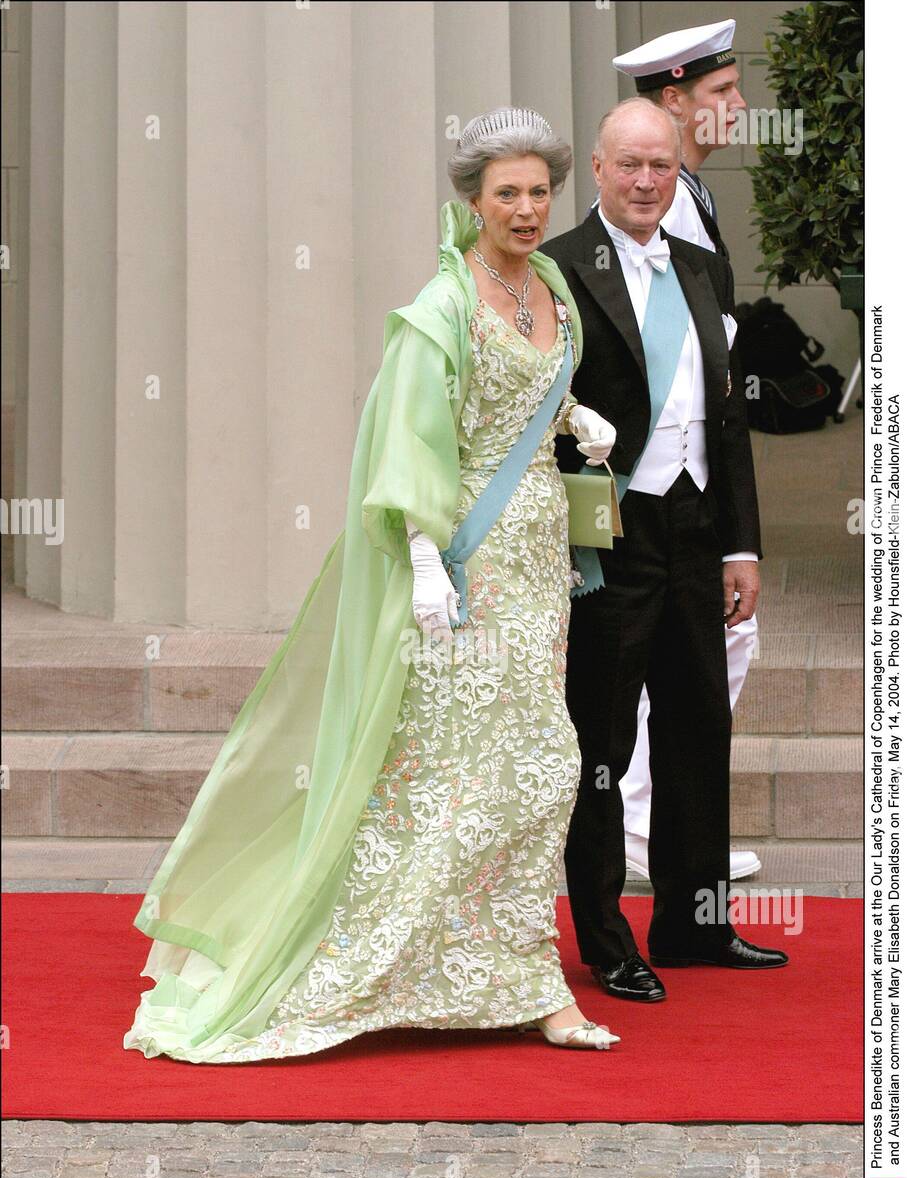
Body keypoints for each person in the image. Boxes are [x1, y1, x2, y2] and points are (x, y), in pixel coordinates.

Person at [122, 106, 623, 1063]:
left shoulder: (551, 282)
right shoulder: (439, 307)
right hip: (466, 573)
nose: (526, 209)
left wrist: (574, 417)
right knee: (445, 774)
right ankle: (388, 961)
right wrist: (430, 563)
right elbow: (406, 439)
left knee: (537, 770)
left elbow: (520, 385)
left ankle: (520, 974)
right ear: (471, 201)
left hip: (539, 564)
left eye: (537, 191)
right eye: (506, 194)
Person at [542, 98, 788, 1006]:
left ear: (676, 172)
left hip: (695, 529)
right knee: (601, 744)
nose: (646, 181)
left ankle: (693, 922)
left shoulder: (702, 268)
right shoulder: (558, 269)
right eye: (629, 165)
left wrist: (742, 546)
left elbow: (725, 422)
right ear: (598, 172)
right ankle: (605, 942)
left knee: (697, 728)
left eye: (662, 166)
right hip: (608, 535)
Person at [611, 19, 762, 888]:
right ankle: (643, 823)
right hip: (662, 473)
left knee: (716, 640)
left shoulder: (693, 194)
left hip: (697, 462)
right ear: (672, 102)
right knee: (698, 641)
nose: (739, 106)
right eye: (720, 93)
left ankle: (655, 821)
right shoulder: (662, 200)